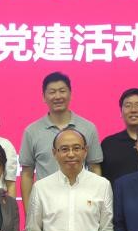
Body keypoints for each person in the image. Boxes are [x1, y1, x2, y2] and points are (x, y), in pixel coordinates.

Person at [19, 71, 103, 200]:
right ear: (44, 97)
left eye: (62, 91)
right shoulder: (31, 131)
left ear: (70, 94)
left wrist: (95, 201)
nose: (57, 96)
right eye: (52, 92)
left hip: (81, 201)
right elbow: (27, 174)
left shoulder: (88, 128)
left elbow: (94, 168)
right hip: (46, 203)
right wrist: (29, 209)